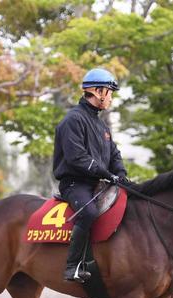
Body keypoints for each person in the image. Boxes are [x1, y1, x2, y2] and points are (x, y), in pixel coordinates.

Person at [53, 68, 127, 282]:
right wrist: (106, 174)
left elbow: (114, 153)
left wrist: (120, 173)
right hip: (75, 184)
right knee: (88, 213)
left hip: (97, 182)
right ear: (97, 91)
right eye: (110, 92)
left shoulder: (101, 125)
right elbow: (77, 158)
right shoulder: (72, 120)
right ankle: (72, 267)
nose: (111, 98)